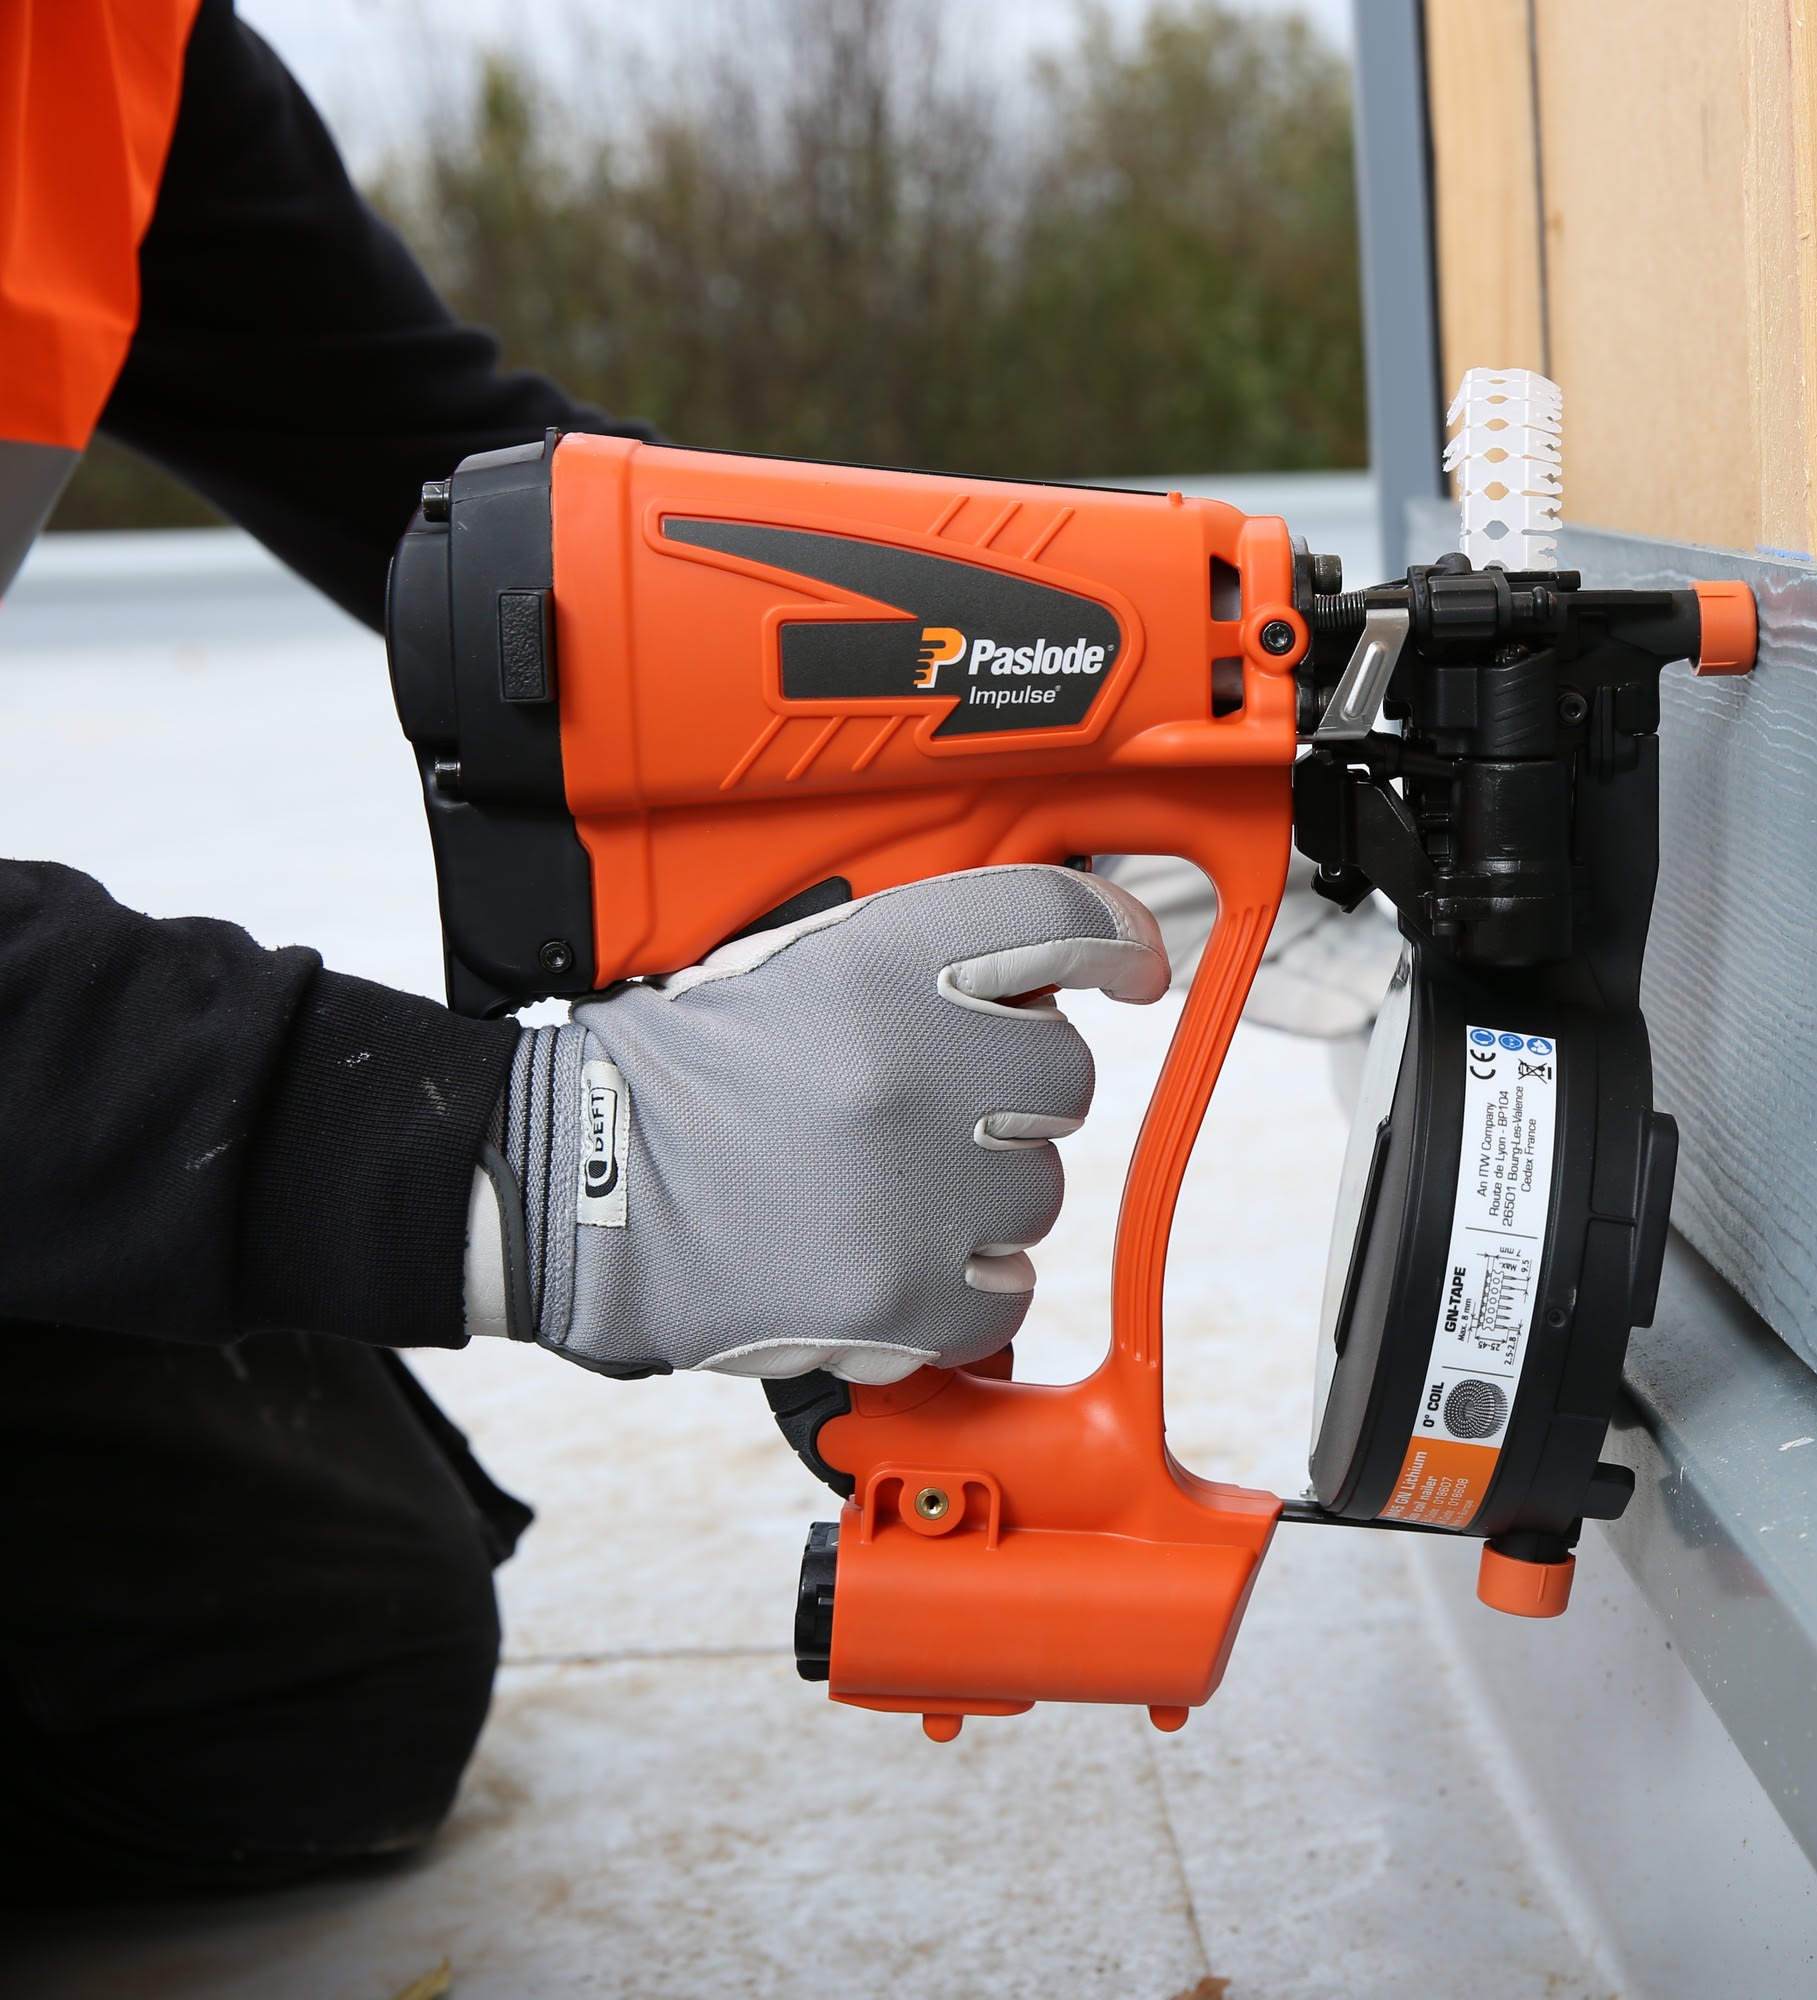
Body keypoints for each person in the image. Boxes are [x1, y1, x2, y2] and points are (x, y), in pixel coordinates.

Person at [0, 0, 1161, 1901]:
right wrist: (536, 1160)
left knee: (301, 1666)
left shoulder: (108, 48)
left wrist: (1071, 698)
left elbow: (465, 495)